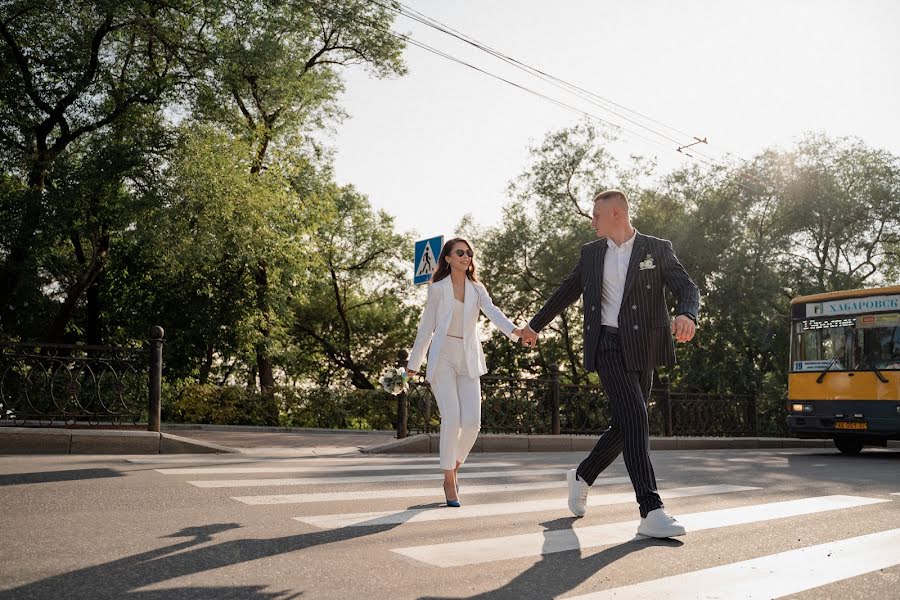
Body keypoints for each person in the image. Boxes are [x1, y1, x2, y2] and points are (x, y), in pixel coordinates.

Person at [519, 189, 700, 538]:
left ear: (617, 213)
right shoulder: (591, 253)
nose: (592, 221)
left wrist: (687, 313)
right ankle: (651, 510)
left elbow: (686, 286)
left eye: (596, 215)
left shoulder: (655, 248)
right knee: (635, 417)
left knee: (625, 425)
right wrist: (535, 325)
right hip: (607, 346)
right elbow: (567, 290)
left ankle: (582, 474)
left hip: (644, 346)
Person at [407, 237, 523, 507]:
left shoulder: (476, 288)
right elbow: (426, 327)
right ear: (447, 258)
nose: (466, 256)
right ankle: (448, 479)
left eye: (469, 253)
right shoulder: (437, 288)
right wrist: (414, 363)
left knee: (472, 422)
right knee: (452, 418)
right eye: (460, 252)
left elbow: (493, 312)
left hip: (468, 357)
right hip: (443, 355)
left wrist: (516, 332)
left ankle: (454, 466)